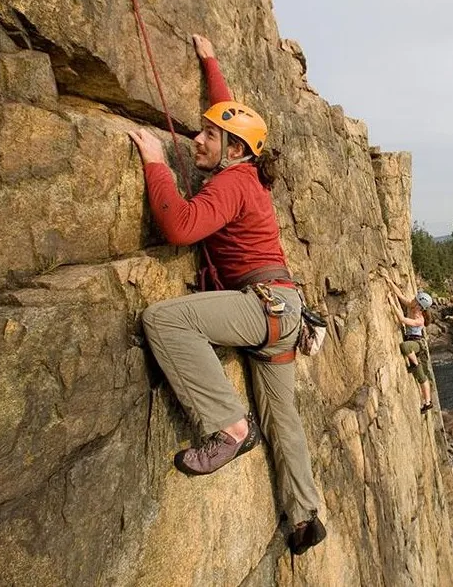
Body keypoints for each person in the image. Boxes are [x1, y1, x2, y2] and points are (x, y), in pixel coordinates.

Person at [127, 34, 326, 555]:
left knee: (164, 320)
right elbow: (232, 115)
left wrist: (155, 163)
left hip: (262, 306)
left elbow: (179, 225)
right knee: (284, 420)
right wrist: (209, 62)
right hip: (283, 311)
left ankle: (229, 429)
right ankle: (305, 516)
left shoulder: (232, 184)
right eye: (199, 131)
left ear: (233, 149)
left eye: (207, 136)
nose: (197, 139)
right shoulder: (245, 172)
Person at [380, 269, 435, 414]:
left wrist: (392, 304)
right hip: (413, 342)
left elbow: (403, 320)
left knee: (406, 348)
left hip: (417, 344)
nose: (413, 300)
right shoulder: (412, 306)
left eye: (415, 300)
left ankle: (414, 364)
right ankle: (428, 402)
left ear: (419, 306)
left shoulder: (419, 319)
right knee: (422, 375)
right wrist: (388, 279)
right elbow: (400, 295)